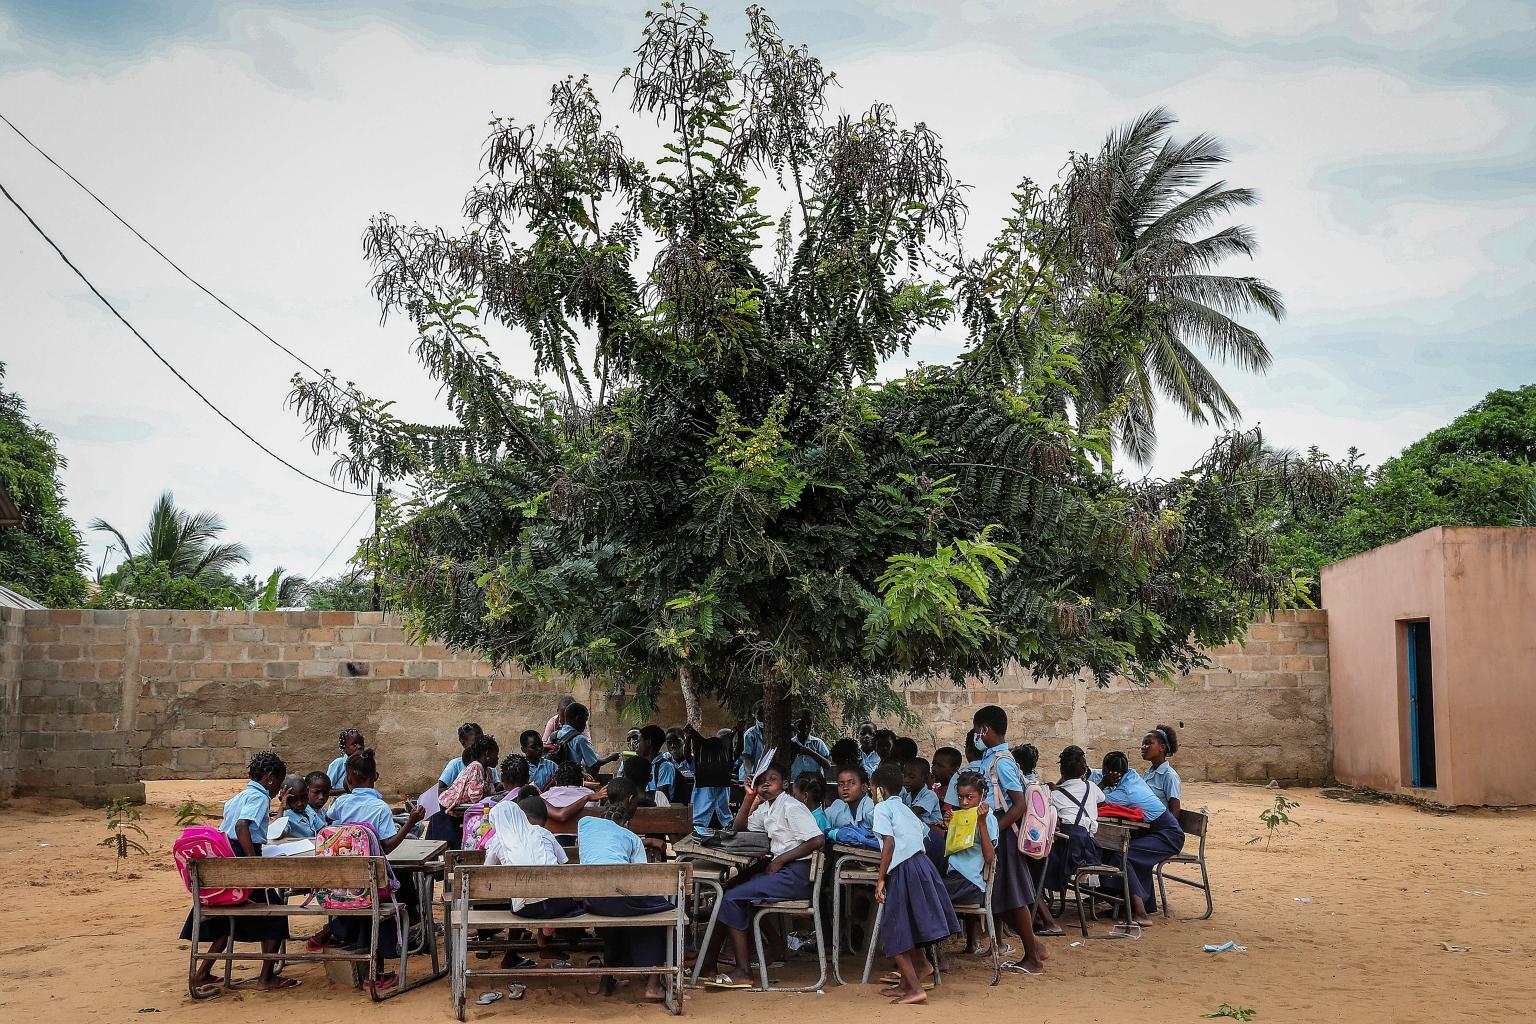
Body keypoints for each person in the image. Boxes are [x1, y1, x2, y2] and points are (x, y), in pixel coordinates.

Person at [182, 751, 297, 996]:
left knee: (229, 919)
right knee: (276, 913)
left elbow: (225, 830)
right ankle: (266, 978)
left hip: (226, 866)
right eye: (278, 782)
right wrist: (252, 864)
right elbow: (241, 825)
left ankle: (202, 972)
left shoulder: (238, 797)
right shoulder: (259, 797)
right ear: (269, 778)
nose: (278, 788)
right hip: (243, 862)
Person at [699, 764, 823, 989]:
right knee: (728, 891)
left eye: (772, 779)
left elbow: (816, 840)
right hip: (784, 870)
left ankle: (744, 972)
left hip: (796, 875)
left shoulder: (791, 807)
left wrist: (780, 859)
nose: (765, 783)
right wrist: (749, 798)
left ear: (785, 784)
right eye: (761, 780)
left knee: (733, 898)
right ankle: (708, 964)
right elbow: (740, 828)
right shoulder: (767, 807)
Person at [326, 749, 428, 996]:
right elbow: (387, 846)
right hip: (372, 887)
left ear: (348, 780)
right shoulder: (380, 808)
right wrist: (410, 823)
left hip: (342, 885)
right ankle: (377, 975)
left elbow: (331, 827)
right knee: (392, 899)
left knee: (375, 901)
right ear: (376, 777)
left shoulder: (340, 803)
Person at [870, 763, 959, 1004]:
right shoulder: (907, 810)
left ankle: (915, 989)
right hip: (922, 865)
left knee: (894, 928)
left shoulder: (881, 809)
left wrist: (880, 879)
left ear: (880, 790)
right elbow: (922, 835)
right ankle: (912, 976)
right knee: (907, 922)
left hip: (903, 869)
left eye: (872, 788)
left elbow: (888, 843)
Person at [578, 778, 673, 1000]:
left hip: (593, 900)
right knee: (663, 912)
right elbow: (639, 879)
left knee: (615, 919)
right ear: (630, 802)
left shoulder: (584, 825)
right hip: (617, 899)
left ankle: (606, 982)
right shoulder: (632, 838)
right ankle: (653, 985)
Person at [972, 705, 1046, 975]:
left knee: (1013, 897)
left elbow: (1019, 804)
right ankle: (1036, 948)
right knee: (1000, 897)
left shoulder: (1001, 761)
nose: (974, 736)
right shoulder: (994, 759)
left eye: (976, 730)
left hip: (1002, 835)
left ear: (985, 730)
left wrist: (993, 830)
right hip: (995, 832)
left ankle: (1033, 959)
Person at [486, 795, 577, 969]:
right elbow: (565, 864)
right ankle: (547, 941)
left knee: (520, 897)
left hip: (525, 911)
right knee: (544, 894)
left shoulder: (498, 841)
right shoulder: (542, 832)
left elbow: (485, 872)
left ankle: (518, 952)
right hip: (556, 907)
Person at [1097, 750, 1185, 926]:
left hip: (1167, 835)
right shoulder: (1132, 775)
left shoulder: (1126, 792)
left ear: (1109, 772)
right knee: (1117, 853)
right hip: (1154, 831)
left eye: (1104, 771)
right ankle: (1131, 904)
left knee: (1124, 856)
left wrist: (1103, 783)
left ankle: (1141, 913)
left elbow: (1094, 800)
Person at [943, 769, 997, 955]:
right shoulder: (960, 816)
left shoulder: (988, 819)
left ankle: (934, 956)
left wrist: (980, 823)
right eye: (961, 797)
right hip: (955, 877)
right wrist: (949, 827)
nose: (964, 802)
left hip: (972, 883)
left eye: (970, 797)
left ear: (983, 795)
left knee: (927, 897)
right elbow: (953, 850)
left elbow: (990, 858)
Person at [1044, 745, 1103, 898]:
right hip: (1090, 848)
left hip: (1066, 849)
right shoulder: (1092, 787)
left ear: (1061, 771)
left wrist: (1059, 785)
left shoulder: (1055, 794)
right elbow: (1102, 800)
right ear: (1084, 770)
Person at [552, 702, 622, 777]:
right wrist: (611, 757)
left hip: (555, 778)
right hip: (572, 779)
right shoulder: (580, 739)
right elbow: (594, 764)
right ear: (578, 719)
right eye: (584, 720)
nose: (585, 725)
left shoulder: (554, 735)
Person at [687, 725, 733, 829]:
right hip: (701, 818)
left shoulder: (726, 766)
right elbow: (687, 755)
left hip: (722, 819)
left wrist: (738, 733)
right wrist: (689, 737)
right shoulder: (700, 766)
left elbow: (738, 750)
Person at [1140, 725, 1183, 817]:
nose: (1143, 747)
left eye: (1148, 743)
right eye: (1143, 744)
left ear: (1162, 748)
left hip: (1160, 827)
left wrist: (1167, 829)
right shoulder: (1148, 773)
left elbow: (1175, 810)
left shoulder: (1169, 776)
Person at [541, 760, 596, 827]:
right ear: (581, 780)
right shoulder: (591, 795)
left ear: (556, 781)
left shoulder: (546, 796)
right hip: (583, 834)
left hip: (554, 834)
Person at [825, 764, 874, 836]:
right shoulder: (839, 809)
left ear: (864, 787)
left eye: (851, 783)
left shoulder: (871, 810)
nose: (845, 788)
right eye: (841, 784)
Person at [787, 711, 833, 781]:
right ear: (796, 724)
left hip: (815, 786)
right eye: (802, 723)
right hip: (796, 785)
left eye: (809, 723)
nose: (806, 726)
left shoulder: (818, 743)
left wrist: (810, 752)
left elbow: (828, 765)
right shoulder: (790, 743)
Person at [622, 724, 667, 795]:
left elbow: (660, 798)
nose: (636, 745)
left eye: (639, 741)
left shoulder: (664, 766)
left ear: (648, 743)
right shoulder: (640, 764)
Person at [279, 773, 327, 838]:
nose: (300, 803)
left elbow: (322, 830)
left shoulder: (308, 810)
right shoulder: (286, 817)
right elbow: (277, 834)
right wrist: (282, 807)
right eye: (293, 799)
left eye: (303, 797)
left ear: (308, 792)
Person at [899, 758, 943, 827]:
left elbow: (912, 813)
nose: (906, 780)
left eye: (911, 777)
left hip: (934, 833)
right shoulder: (907, 794)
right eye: (904, 776)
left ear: (924, 778)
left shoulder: (930, 795)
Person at [738, 702, 765, 781]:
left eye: (764, 713)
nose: (762, 716)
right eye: (759, 713)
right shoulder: (750, 734)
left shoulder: (772, 733)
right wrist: (750, 774)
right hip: (750, 775)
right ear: (754, 715)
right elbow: (746, 758)